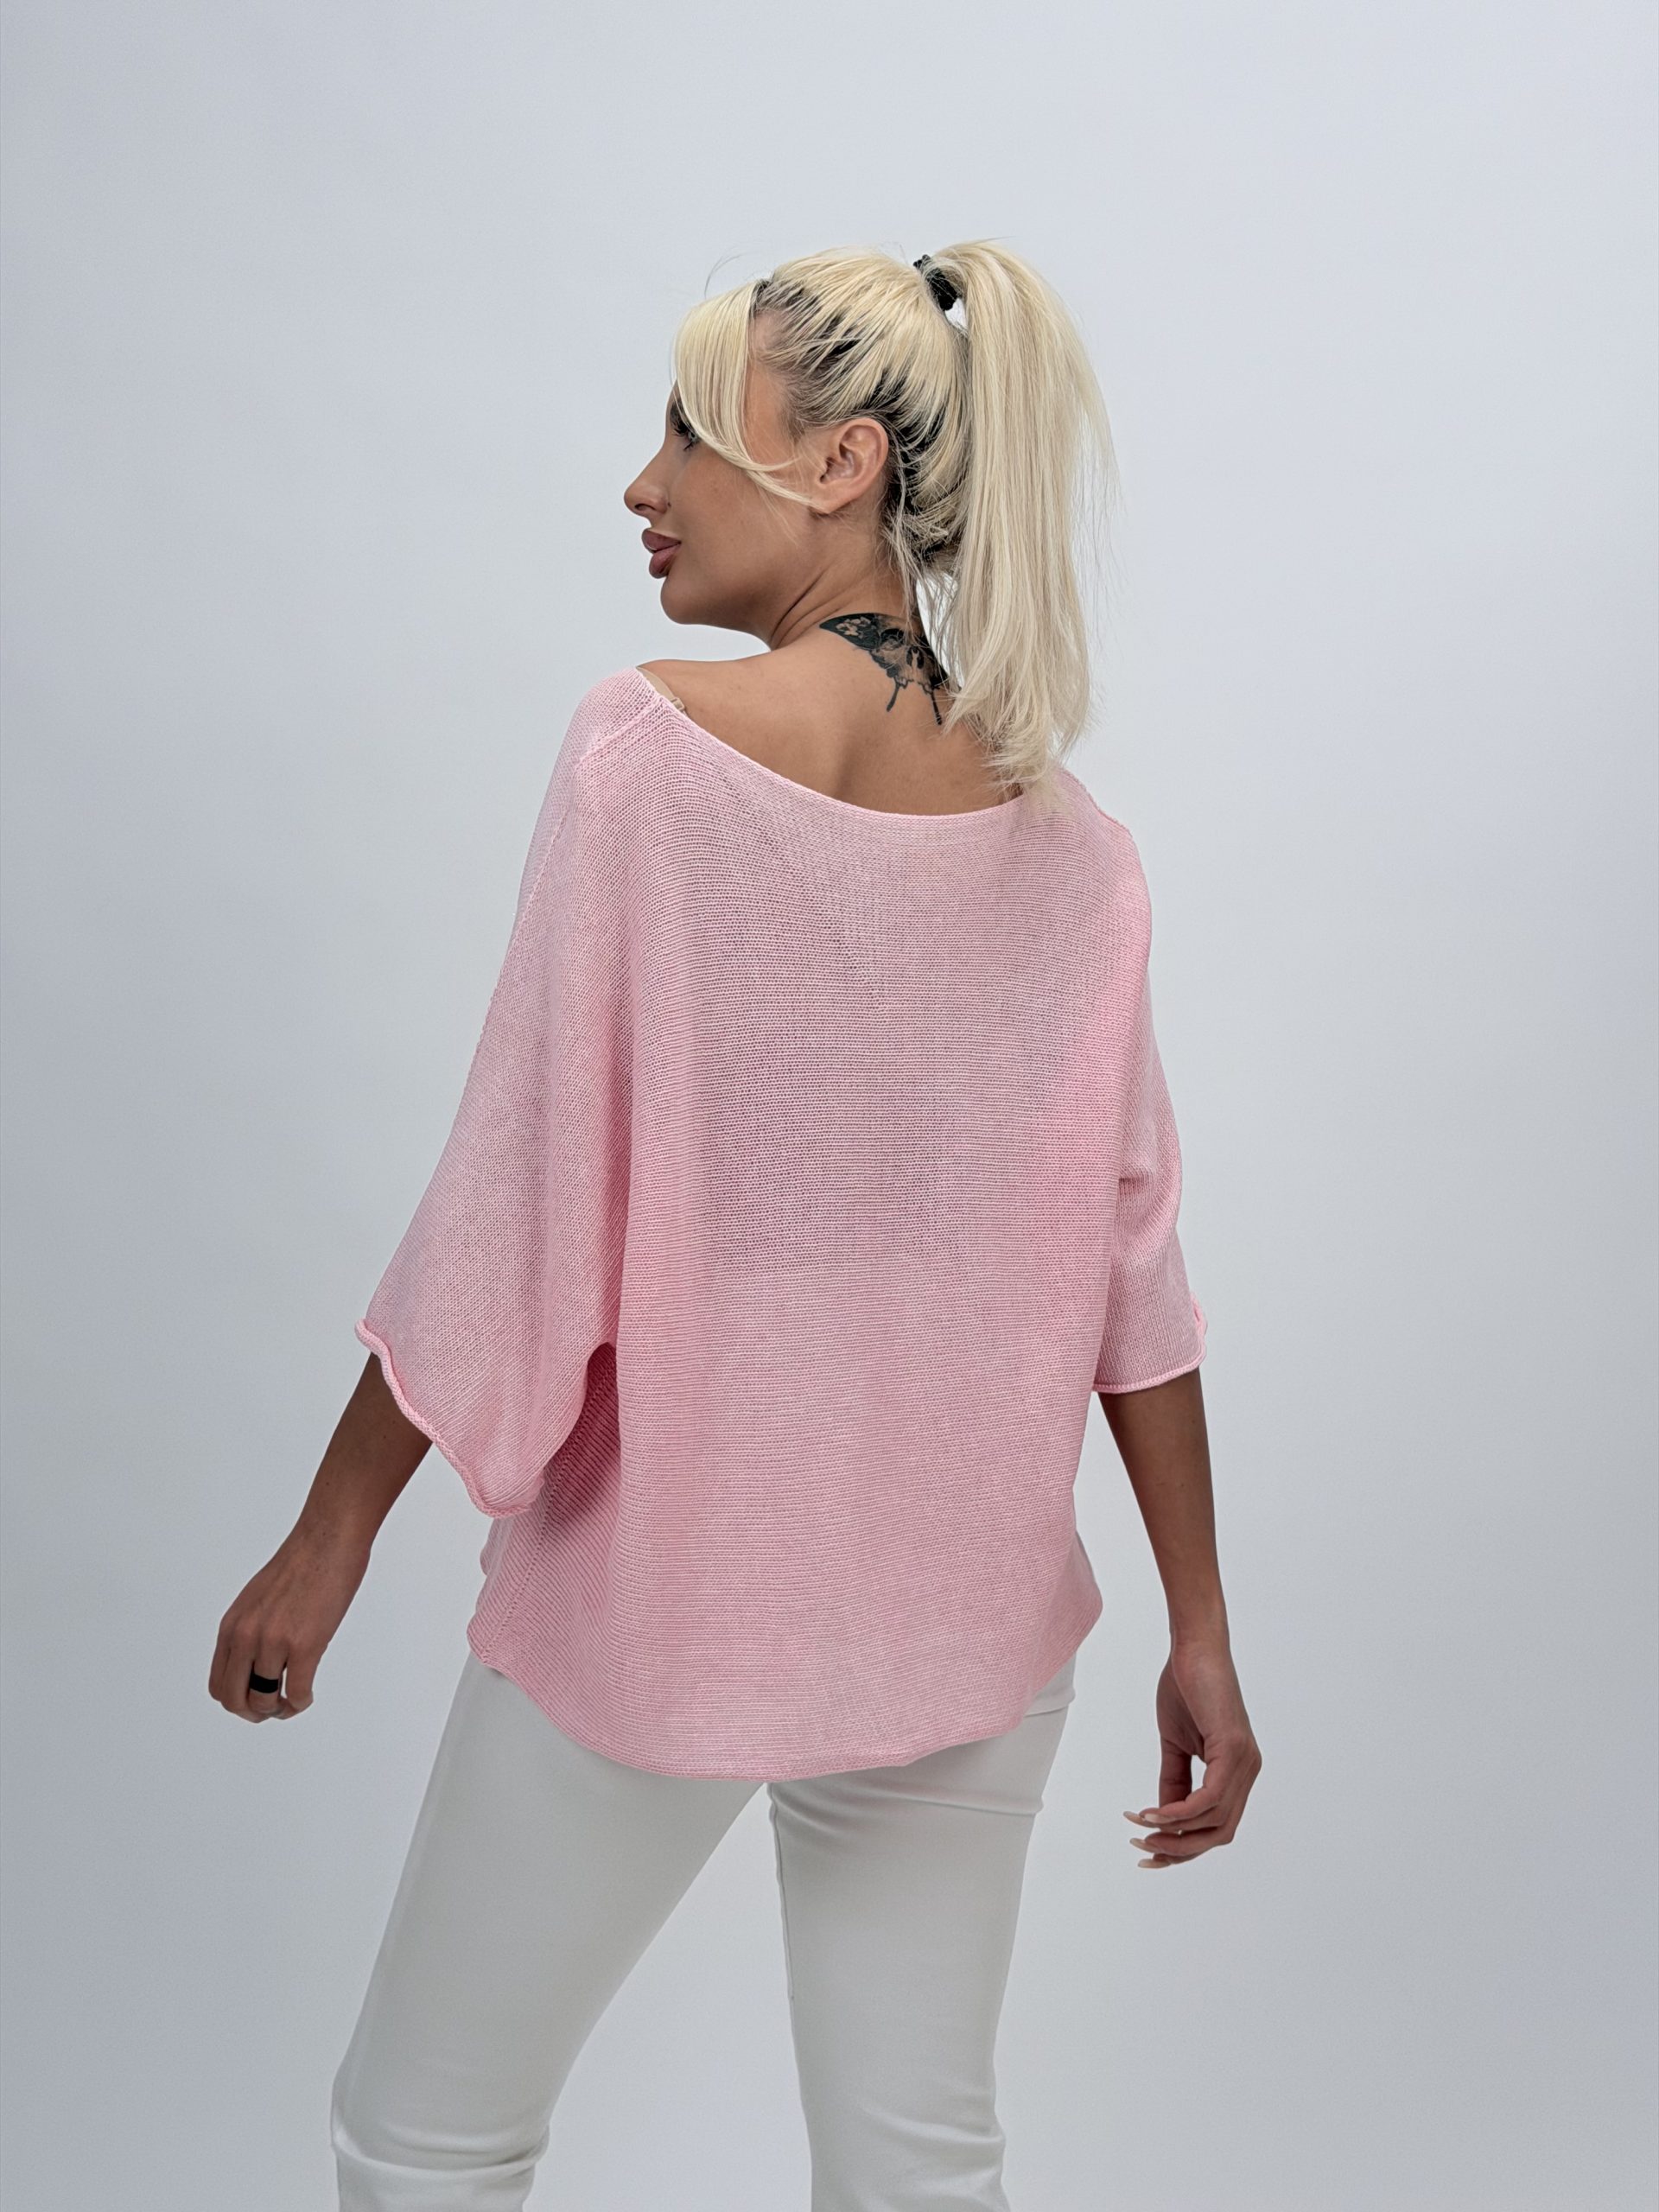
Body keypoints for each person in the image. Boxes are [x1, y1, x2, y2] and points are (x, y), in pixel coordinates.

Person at [209, 238, 1262, 2209]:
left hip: (677, 1588)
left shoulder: (650, 755)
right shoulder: (1080, 854)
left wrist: (328, 1536)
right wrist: (1200, 1626)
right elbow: (1138, 1267)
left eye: (691, 432)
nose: (645, 483)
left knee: (425, 2133)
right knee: (918, 2167)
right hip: (962, 1611)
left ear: (843, 461)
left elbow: (522, 1189)